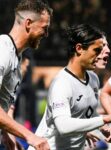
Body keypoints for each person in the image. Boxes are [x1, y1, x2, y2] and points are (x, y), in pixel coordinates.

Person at [28, 24, 111, 150]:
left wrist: (102, 127)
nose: (99, 55)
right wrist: (108, 118)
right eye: (96, 50)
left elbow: (87, 112)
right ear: (79, 48)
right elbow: (63, 126)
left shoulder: (93, 79)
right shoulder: (62, 83)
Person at [0, 0, 53, 149]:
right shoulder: (2, 48)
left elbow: (3, 103)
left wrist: (6, 133)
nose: (46, 34)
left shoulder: (17, 59)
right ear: (28, 23)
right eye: (44, 28)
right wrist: (30, 136)